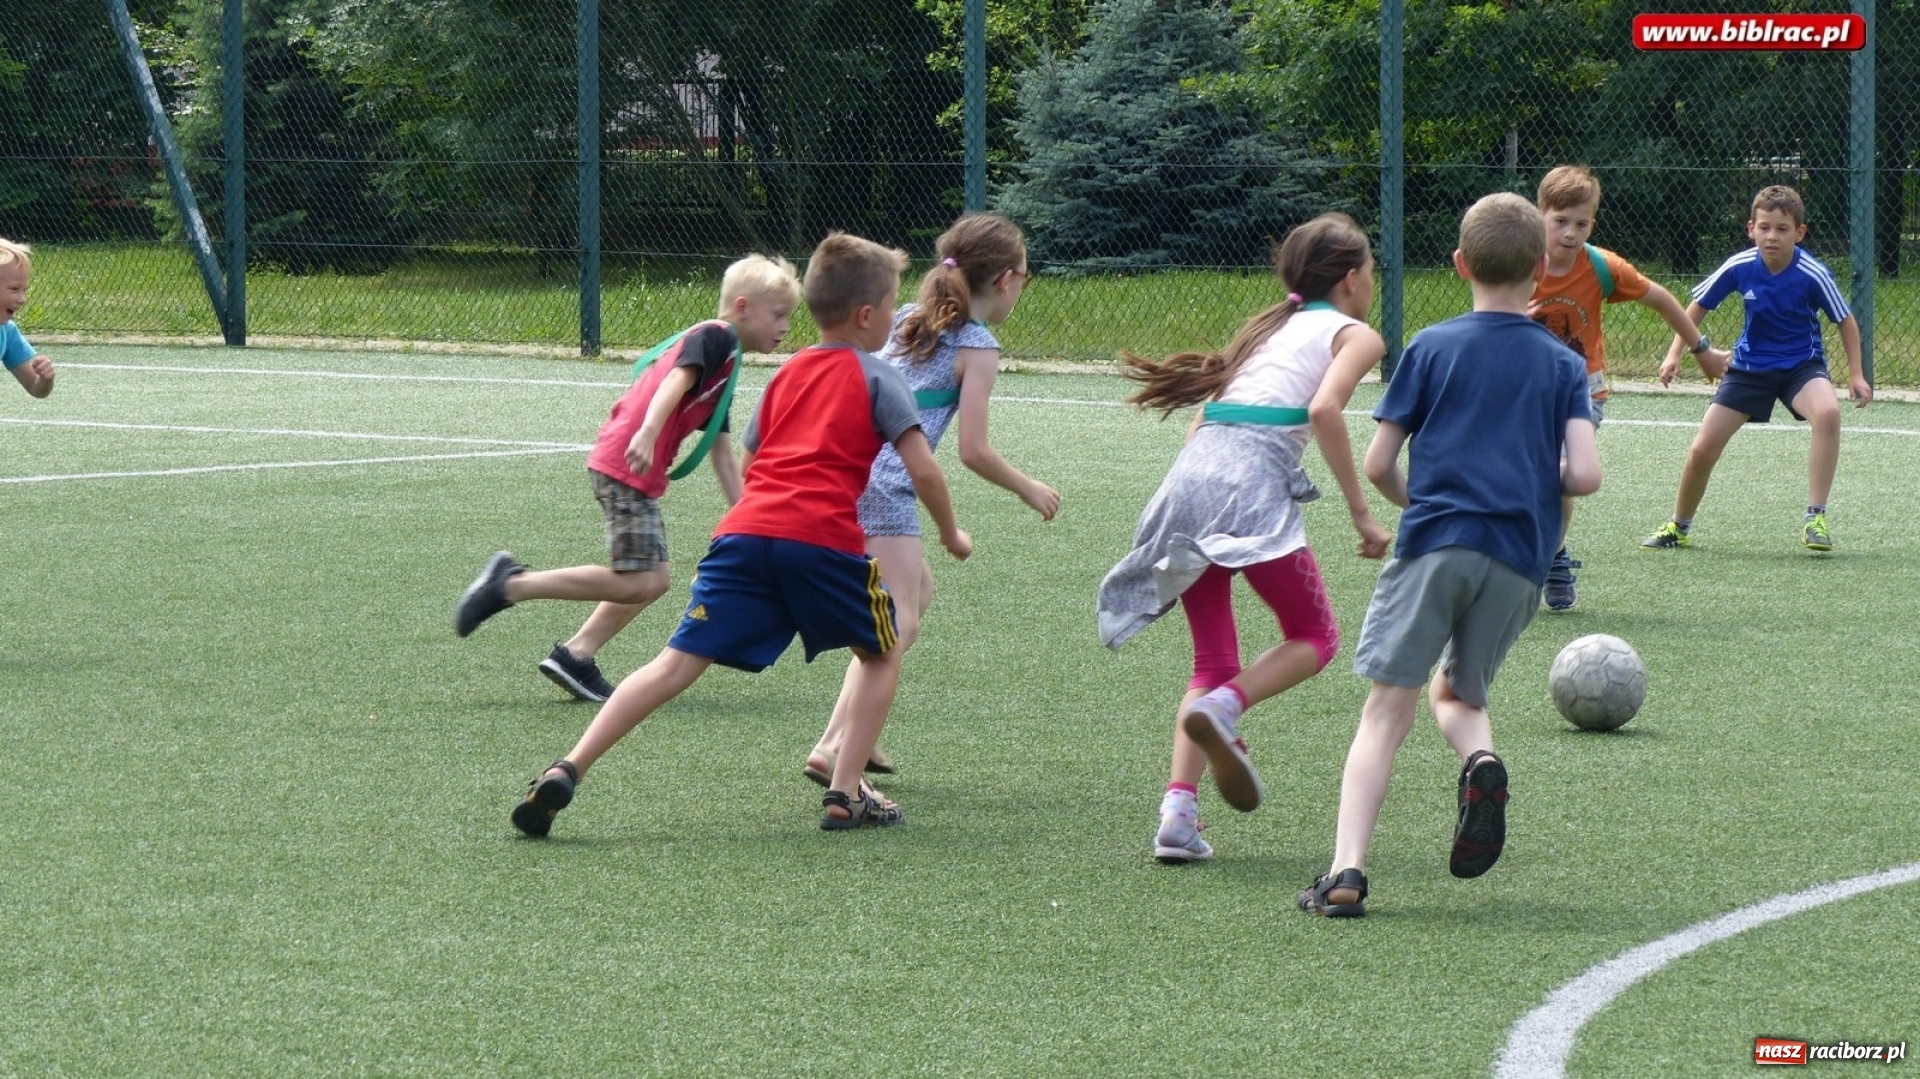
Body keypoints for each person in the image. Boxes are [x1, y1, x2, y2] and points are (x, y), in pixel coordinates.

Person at [509, 231, 971, 838]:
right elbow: (924, 470)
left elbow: (752, 463)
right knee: (883, 651)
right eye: (891, 304)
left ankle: (569, 766)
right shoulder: (881, 378)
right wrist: (951, 532)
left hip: (745, 535)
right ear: (866, 315)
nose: (895, 316)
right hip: (821, 541)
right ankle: (845, 792)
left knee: (673, 664)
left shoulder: (787, 374)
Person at [1298, 193, 1601, 918]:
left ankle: (1345, 873)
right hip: (1520, 557)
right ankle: (1481, 760)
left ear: (1461, 264)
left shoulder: (1430, 346)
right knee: (1460, 694)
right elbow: (1585, 476)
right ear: (1541, 268)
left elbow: (1378, 463)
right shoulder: (1562, 363)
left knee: (1385, 712)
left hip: (1436, 542)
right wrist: (1530, 478)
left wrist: (1421, 500)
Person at [1097, 213, 1394, 864]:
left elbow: (1201, 424)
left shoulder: (1266, 328)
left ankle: (1177, 816)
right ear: (1351, 279)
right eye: (1372, 272)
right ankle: (1227, 708)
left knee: (1211, 661)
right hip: (1248, 488)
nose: (1372, 283)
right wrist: (1361, 514)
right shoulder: (1357, 335)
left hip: (1188, 483)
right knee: (1315, 636)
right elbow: (1323, 410)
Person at [453, 254, 799, 701]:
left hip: (632, 468)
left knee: (652, 578)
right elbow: (676, 380)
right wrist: (649, 432)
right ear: (743, 306)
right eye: (779, 315)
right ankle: (511, 585)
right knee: (642, 580)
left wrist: (747, 517)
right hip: (627, 462)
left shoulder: (726, 363)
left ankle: (576, 654)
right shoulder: (716, 337)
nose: (785, 327)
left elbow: (720, 452)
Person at [804, 213, 1060, 787]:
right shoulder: (978, 345)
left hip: (851, 473)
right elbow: (974, 450)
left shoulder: (903, 319)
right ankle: (834, 746)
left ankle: (854, 733)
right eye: (1025, 276)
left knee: (916, 592)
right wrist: (1029, 488)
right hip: (888, 487)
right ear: (1006, 280)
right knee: (896, 626)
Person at [1528, 166, 1729, 610]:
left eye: (1581, 223)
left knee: (1556, 474)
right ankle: (1550, 553)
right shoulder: (1517, 262)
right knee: (1530, 476)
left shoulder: (1600, 266)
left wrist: (1701, 350)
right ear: (1538, 214)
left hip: (1581, 392)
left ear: (1592, 224)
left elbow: (1661, 298)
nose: (1570, 233)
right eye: (1560, 221)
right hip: (1524, 392)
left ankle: (1551, 557)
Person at [1641, 184, 1872, 554]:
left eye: (1782, 229)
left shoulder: (1813, 273)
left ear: (1799, 233)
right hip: (1748, 369)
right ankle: (1679, 526)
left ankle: (1815, 517)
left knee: (1828, 412)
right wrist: (1674, 353)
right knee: (1702, 449)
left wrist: (1856, 374)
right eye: (1764, 227)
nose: (1772, 236)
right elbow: (1697, 307)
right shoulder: (1740, 265)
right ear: (1751, 229)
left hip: (1801, 367)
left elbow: (1845, 320)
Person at [1, 239, 57, 399]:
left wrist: (45, 379)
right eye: (14, 289)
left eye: (24, 290)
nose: (22, 299)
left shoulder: (7, 332)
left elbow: (35, 388)